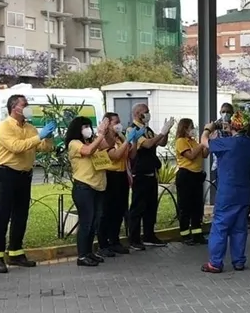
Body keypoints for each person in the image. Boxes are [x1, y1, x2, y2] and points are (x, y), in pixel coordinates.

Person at [0, 94, 56, 274]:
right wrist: (38, 137)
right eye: (24, 104)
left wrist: (48, 136)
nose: (27, 107)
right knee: (2, 215)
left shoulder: (30, 127)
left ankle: (16, 252)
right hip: (7, 174)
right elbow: (16, 147)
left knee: (21, 215)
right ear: (14, 107)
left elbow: (44, 148)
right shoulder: (4, 127)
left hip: (24, 175)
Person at [202, 110, 250, 273]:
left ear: (232, 125)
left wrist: (208, 128)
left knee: (220, 226)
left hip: (228, 191)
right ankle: (239, 261)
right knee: (239, 228)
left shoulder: (227, 144)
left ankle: (215, 263)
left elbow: (204, 142)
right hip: (245, 191)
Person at [126, 104, 174, 251]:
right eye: (146, 112)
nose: (148, 114)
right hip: (140, 173)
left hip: (151, 173)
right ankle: (134, 238)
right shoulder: (132, 129)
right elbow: (147, 144)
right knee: (138, 207)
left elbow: (161, 143)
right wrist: (161, 132)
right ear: (137, 113)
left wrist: (166, 132)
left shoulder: (148, 130)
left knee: (151, 207)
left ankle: (149, 235)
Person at [66, 116, 110, 267]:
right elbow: (88, 151)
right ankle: (82, 255)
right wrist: (101, 135)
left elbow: (106, 145)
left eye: (89, 126)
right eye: (84, 126)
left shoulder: (91, 141)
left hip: (97, 187)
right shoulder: (74, 143)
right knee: (86, 221)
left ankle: (89, 251)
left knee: (94, 222)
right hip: (83, 187)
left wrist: (105, 131)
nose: (88, 129)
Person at [97, 112, 134, 256]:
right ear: (107, 124)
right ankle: (103, 243)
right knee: (107, 211)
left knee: (120, 210)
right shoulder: (103, 139)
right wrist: (127, 143)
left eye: (119, 121)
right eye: (115, 122)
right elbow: (115, 155)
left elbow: (131, 154)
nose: (118, 124)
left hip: (122, 174)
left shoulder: (120, 137)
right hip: (110, 176)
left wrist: (133, 140)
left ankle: (114, 240)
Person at [175, 118, 209, 245]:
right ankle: (184, 234)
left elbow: (204, 154)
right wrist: (201, 144)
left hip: (196, 176)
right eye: (190, 127)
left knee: (197, 206)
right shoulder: (181, 141)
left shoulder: (194, 141)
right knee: (185, 206)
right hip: (186, 176)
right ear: (184, 128)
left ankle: (197, 234)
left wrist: (207, 143)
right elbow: (191, 155)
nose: (193, 129)